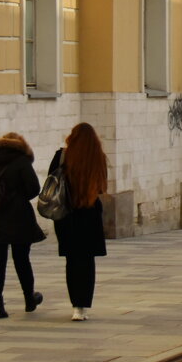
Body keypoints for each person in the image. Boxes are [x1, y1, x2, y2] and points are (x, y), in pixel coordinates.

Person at [0, 132, 46, 319]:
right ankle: (29, 299)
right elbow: (33, 188)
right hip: (18, 217)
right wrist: (18, 196)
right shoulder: (21, 160)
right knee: (22, 258)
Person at [50, 123, 108, 321]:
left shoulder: (62, 156)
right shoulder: (99, 158)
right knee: (87, 261)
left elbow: (51, 182)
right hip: (90, 213)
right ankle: (83, 307)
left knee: (72, 260)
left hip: (67, 213)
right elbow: (101, 187)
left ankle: (75, 305)